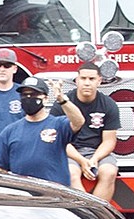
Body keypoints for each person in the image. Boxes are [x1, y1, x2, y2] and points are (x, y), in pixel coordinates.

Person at [0, 77, 85, 185]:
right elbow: (0, 168)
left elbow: (79, 121)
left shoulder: (58, 124)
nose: (28, 97)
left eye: (34, 94)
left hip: (55, 193)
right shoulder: (10, 131)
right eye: (24, 95)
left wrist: (62, 99)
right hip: (24, 194)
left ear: (45, 99)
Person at [51, 62, 121, 199]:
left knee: (109, 172)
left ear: (99, 81)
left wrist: (94, 159)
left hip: (97, 152)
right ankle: (86, 214)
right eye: (83, 78)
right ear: (76, 80)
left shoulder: (109, 104)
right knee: (71, 173)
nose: (87, 83)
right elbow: (58, 140)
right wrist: (82, 161)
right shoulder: (63, 104)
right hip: (70, 152)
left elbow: (109, 141)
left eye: (92, 79)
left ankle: (98, 217)